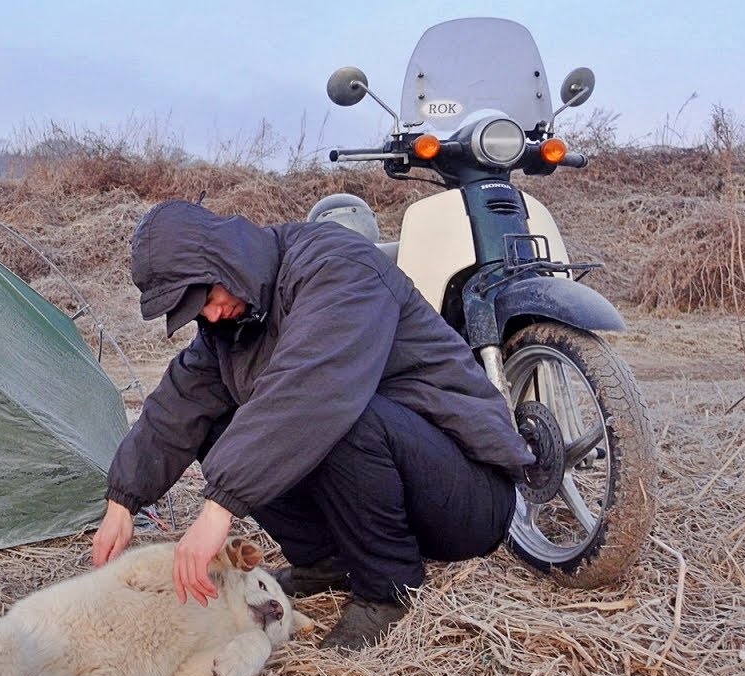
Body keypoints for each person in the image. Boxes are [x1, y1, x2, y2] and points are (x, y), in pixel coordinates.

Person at [91, 198, 536, 650]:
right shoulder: (236, 321)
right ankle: (327, 560)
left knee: (333, 412)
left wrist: (217, 509)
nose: (207, 315)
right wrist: (123, 500)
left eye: (204, 298)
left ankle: (388, 589)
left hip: (468, 495)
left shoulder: (338, 266)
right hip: (393, 483)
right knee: (217, 423)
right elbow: (178, 404)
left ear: (226, 261)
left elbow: (313, 388)